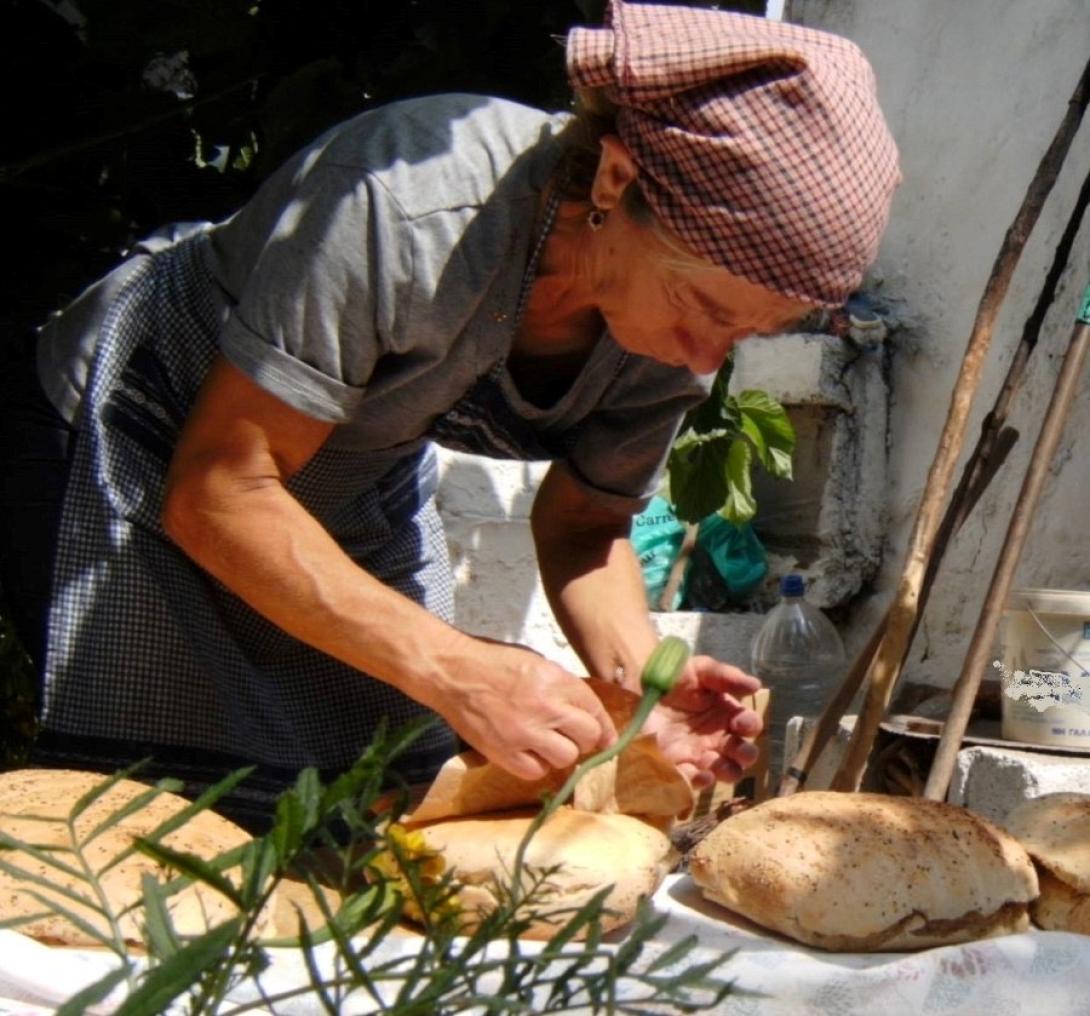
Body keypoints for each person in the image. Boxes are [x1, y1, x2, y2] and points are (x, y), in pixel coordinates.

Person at [0, 1, 899, 830]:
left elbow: (585, 525)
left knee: (385, 789)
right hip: (139, 433)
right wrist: (454, 666)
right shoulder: (406, 206)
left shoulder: (674, 337)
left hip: (349, 476)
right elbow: (219, 494)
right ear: (616, 179)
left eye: (747, 332)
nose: (707, 357)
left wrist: (645, 690)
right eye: (701, 307)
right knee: (155, 818)